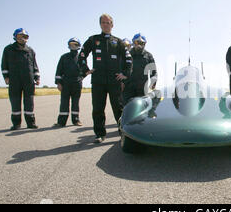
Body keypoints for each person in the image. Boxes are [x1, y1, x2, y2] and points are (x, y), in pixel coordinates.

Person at [78, 14, 132, 143]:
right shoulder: (93, 40)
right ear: (100, 24)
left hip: (115, 81)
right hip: (98, 80)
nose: (106, 25)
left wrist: (125, 74)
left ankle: (122, 132)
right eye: (103, 22)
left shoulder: (118, 42)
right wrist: (86, 70)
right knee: (97, 108)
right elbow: (82, 55)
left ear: (112, 25)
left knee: (118, 108)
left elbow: (128, 59)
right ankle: (100, 134)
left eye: (108, 22)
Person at [1, 28, 40, 130]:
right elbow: (4, 64)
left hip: (28, 80)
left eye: (25, 37)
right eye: (20, 36)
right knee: (15, 102)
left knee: (29, 102)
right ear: (15, 37)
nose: (22, 39)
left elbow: (34, 66)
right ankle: (16, 124)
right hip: (14, 80)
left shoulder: (30, 51)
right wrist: (6, 77)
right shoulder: (8, 49)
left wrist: (37, 77)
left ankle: (31, 123)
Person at [53, 38, 84, 127]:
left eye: (75, 44)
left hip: (77, 84)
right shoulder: (64, 57)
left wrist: (81, 78)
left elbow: (84, 70)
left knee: (75, 102)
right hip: (65, 83)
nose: (73, 46)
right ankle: (61, 122)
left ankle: (76, 120)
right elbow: (59, 71)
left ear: (78, 46)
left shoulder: (81, 58)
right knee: (64, 103)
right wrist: (58, 83)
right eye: (71, 44)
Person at [122, 33, 157, 107]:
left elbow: (154, 72)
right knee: (126, 110)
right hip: (128, 88)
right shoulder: (127, 55)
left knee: (141, 109)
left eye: (141, 43)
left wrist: (153, 81)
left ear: (144, 44)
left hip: (142, 89)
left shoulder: (148, 56)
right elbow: (121, 69)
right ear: (133, 42)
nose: (139, 45)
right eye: (136, 42)